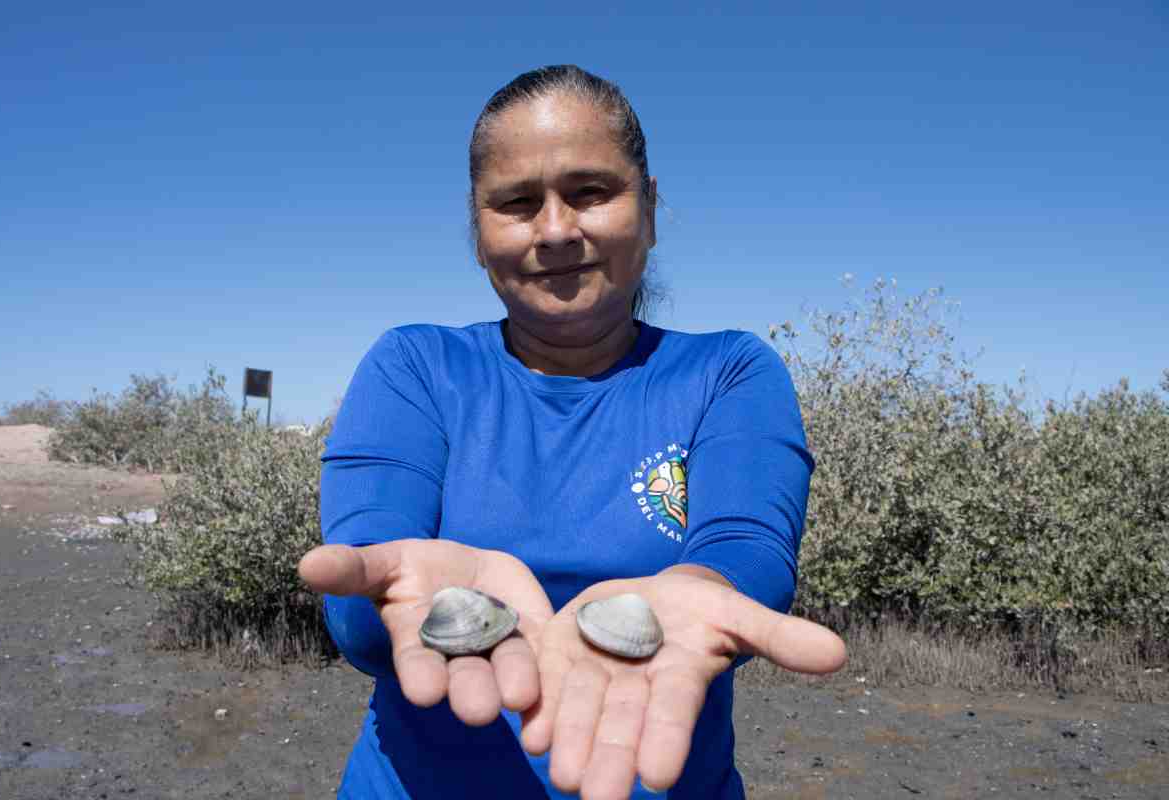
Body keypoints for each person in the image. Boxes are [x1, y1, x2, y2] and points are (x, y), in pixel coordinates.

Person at [297, 64, 846, 800]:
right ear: (478, 231)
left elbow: (747, 549)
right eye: (517, 203)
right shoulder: (415, 365)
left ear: (649, 209)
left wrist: (702, 590)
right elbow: (363, 600)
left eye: (590, 192)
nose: (556, 230)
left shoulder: (728, 372)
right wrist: (387, 599)